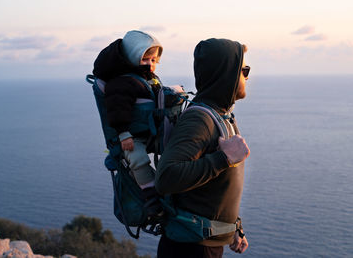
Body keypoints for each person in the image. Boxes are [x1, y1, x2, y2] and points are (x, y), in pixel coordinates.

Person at [155, 38, 251, 258]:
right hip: (190, 248)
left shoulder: (222, 115)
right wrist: (223, 159)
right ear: (226, 75)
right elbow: (166, 177)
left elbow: (217, 188)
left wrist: (233, 228)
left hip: (203, 244)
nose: (247, 76)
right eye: (243, 70)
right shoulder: (200, 119)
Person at [92, 30, 163, 217]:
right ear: (133, 56)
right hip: (130, 136)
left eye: (154, 60)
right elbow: (116, 110)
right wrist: (123, 134)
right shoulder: (122, 83)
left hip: (147, 130)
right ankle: (151, 194)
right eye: (145, 59)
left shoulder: (143, 78)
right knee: (137, 158)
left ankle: (168, 181)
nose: (150, 64)